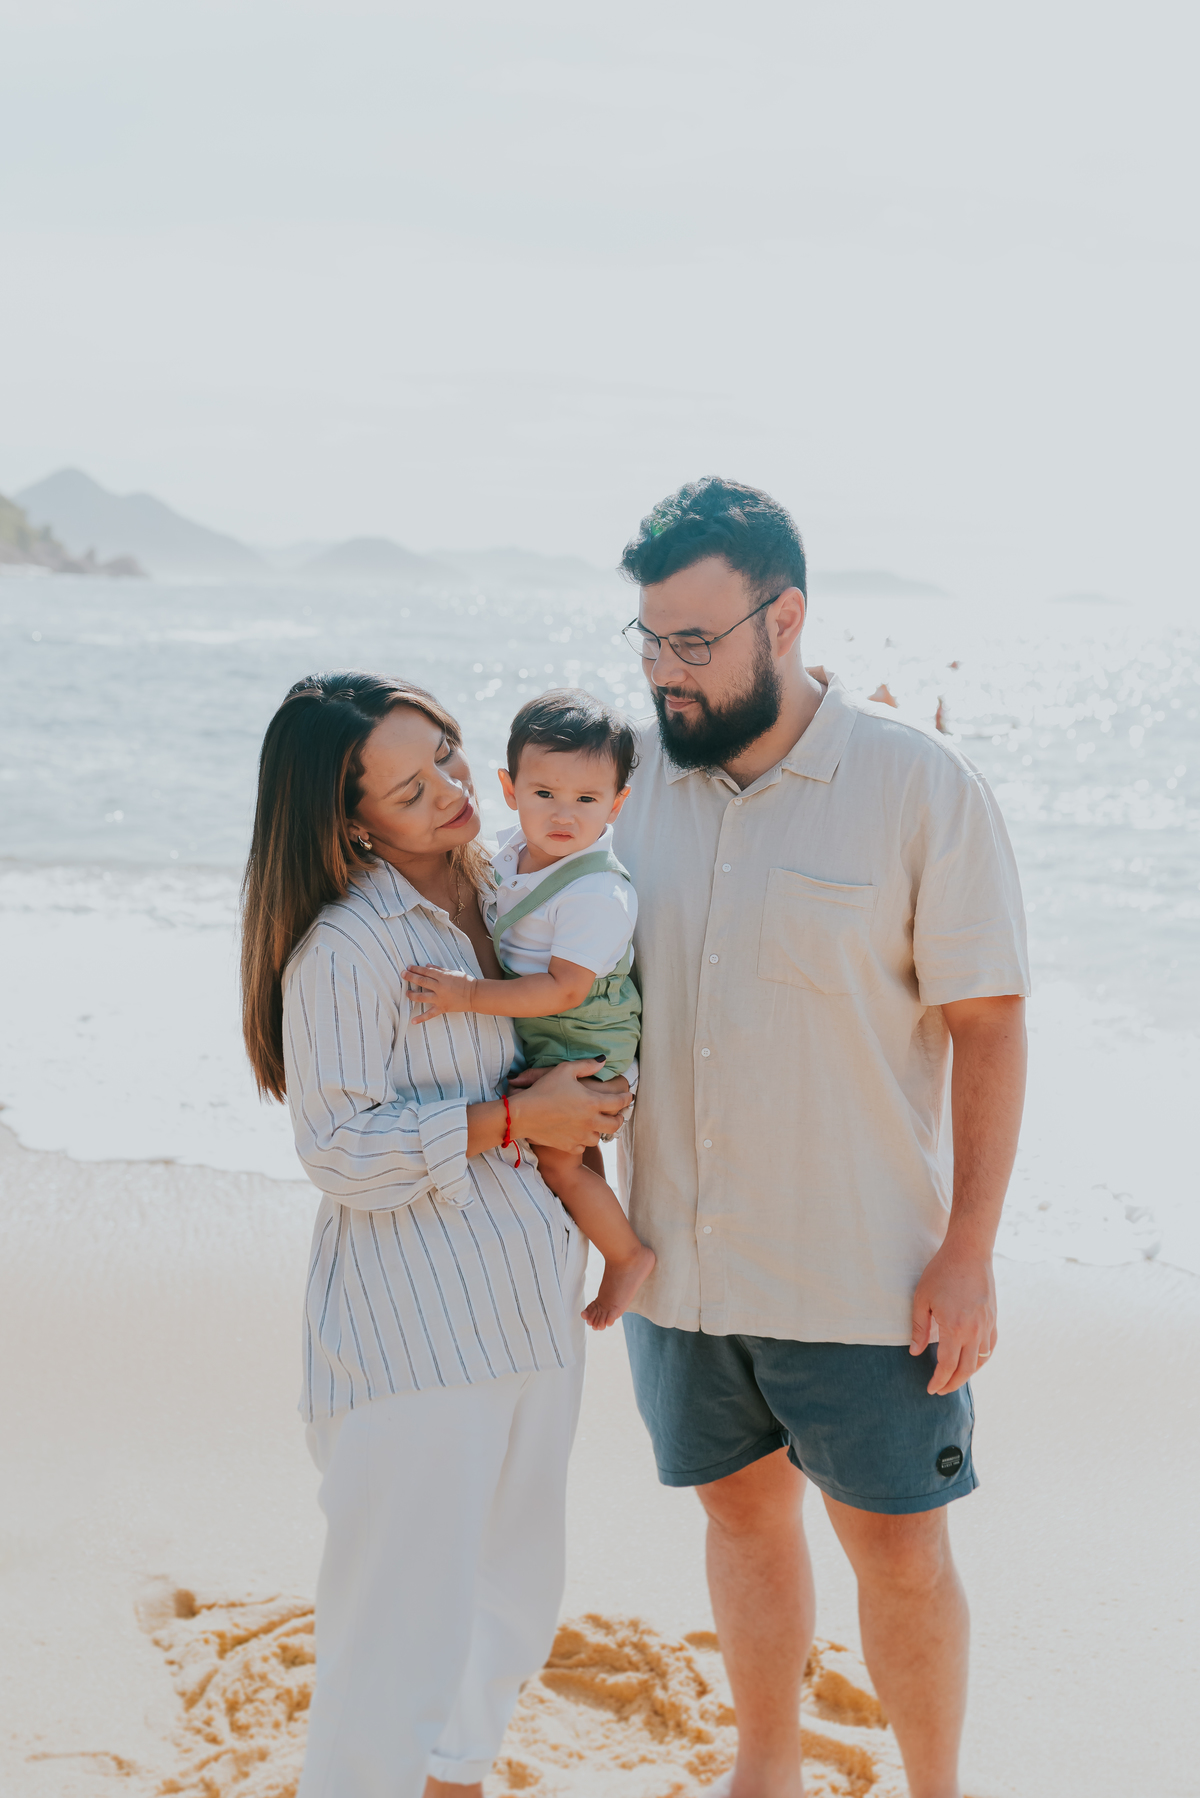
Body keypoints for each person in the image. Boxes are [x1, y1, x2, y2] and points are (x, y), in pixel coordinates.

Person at [611, 478, 1030, 1798]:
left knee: (900, 1552)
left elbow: (990, 1024)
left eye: (694, 642)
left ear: (784, 617)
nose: (666, 673)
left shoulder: (919, 784)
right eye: (649, 642)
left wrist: (969, 1247)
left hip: (868, 1269)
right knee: (739, 1516)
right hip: (680, 1263)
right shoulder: (629, 791)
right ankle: (767, 1770)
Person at [240, 672, 630, 1798]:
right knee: (391, 1655)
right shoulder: (349, 948)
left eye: (451, 758)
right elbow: (339, 1151)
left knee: (509, 1603)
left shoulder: (513, 884)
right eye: (414, 791)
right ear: (353, 821)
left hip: (528, 1304)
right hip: (413, 1335)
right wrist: (517, 1115)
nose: (455, 794)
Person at [404, 689, 656, 1330]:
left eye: (587, 800)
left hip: (581, 1032)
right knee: (567, 1152)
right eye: (545, 794)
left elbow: (564, 990)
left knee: (557, 1158)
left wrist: (466, 996)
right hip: (547, 1020)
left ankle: (626, 1255)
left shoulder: (597, 891)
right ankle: (590, 1231)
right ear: (510, 789)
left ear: (617, 806)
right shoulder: (513, 850)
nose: (563, 815)